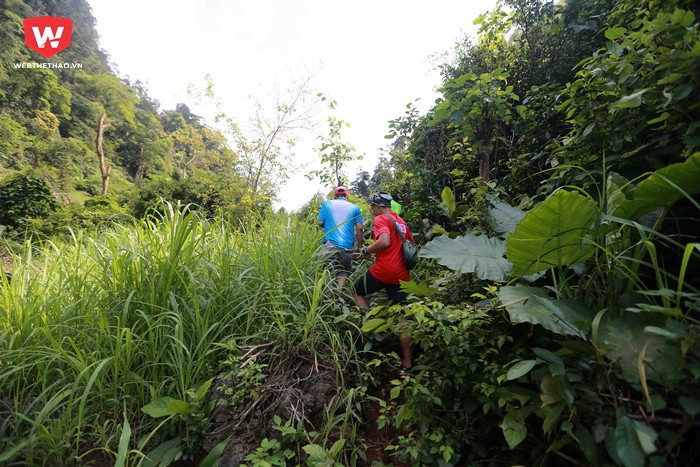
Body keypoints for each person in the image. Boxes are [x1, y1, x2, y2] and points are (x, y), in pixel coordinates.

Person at [353, 191, 416, 367]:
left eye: (372, 207)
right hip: (402, 274)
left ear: (378, 206)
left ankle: (372, 332)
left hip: (384, 270)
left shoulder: (381, 219)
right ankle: (408, 362)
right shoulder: (401, 222)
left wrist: (366, 250)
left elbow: (385, 241)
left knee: (356, 290)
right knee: (402, 316)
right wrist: (376, 251)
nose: (372, 211)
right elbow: (409, 245)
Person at [317, 186, 364, 289]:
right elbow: (359, 228)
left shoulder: (327, 204)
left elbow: (320, 222)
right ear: (346, 196)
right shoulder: (355, 208)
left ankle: (327, 294)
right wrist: (359, 246)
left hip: (329, 245)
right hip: (346, 247)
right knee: (343, 270)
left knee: (327, 271)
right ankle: (338, 292)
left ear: (335, 196)